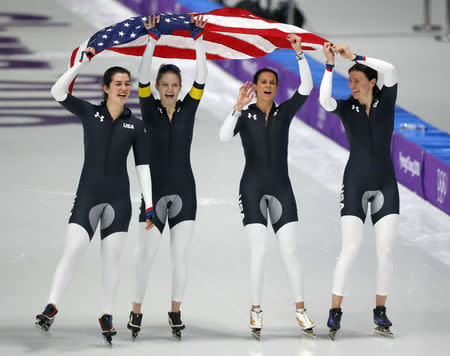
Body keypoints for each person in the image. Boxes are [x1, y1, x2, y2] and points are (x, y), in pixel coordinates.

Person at [35, 48, 153, 346]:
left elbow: (142, 165)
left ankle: (107, 314)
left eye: (128, 83)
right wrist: (79, 64)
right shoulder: (90, 112)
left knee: (111, 260)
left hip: (119, 202)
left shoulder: (135, 125)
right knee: (73, 250)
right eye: (119, 84)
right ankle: (51, 306)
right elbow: (58, 91)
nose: (125, 88)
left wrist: (149, 204)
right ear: (106, 88)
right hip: (88, 196)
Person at [219, 34, 315, 339]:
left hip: (282, 190)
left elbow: (307, 88)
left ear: (276, 87)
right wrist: (236, 107)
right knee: (259, 252)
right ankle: (256, 312)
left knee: (290, 253)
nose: (269, 85)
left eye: (273, 82)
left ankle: (301, 310)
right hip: (253, 190)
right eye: (263, 81)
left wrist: (299, 54)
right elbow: (223, 137)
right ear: (255, 86)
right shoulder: (245, 116)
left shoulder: (284, 112)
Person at [127, 15, 207, 340]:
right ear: (157, 88)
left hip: (185, 192)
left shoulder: (190, 107)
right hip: (155, 193)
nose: (171, 89)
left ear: (180, 88)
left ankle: (175, 310)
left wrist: (197, 40)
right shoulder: (149, 108)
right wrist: (151, 40)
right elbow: (141, 75)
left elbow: (202, 75)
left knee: (180, 259)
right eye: (166, 85)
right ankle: (136, 310)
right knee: (145, 258)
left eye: (175, 85)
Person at [319, 42, 399, 339]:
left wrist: (356, 58)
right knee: (350, 248)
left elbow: (390, 69)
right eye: (349, 80)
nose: (352, 85)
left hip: (386, 185)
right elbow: (325, 100)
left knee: (385, 251)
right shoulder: (347, 108)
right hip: (354, 183)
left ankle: (380, 310)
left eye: (357, 80)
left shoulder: (386, 99)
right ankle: (335, 310)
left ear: (371, 82)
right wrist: (330, 66)